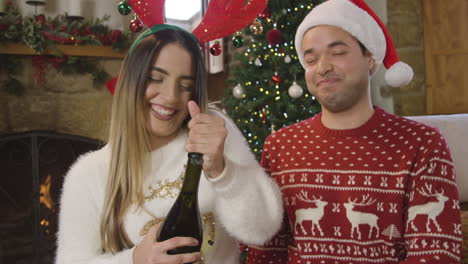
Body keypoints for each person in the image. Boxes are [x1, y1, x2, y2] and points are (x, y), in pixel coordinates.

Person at [245, 0, 463, 263]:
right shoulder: (280, 146)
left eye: (337, 53)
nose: (322, 67)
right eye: (311, 59)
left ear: (369, 58)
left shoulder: (421, 144)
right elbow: (266, 252)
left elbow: (436, 254)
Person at [55, 26, 283, 264]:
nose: (171, 96)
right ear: (131, 82)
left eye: (185, 85)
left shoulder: (212, 131)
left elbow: (262, 230)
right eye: (156, 78)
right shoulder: (89, 174)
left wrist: (222, 172)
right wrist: (135, 260)